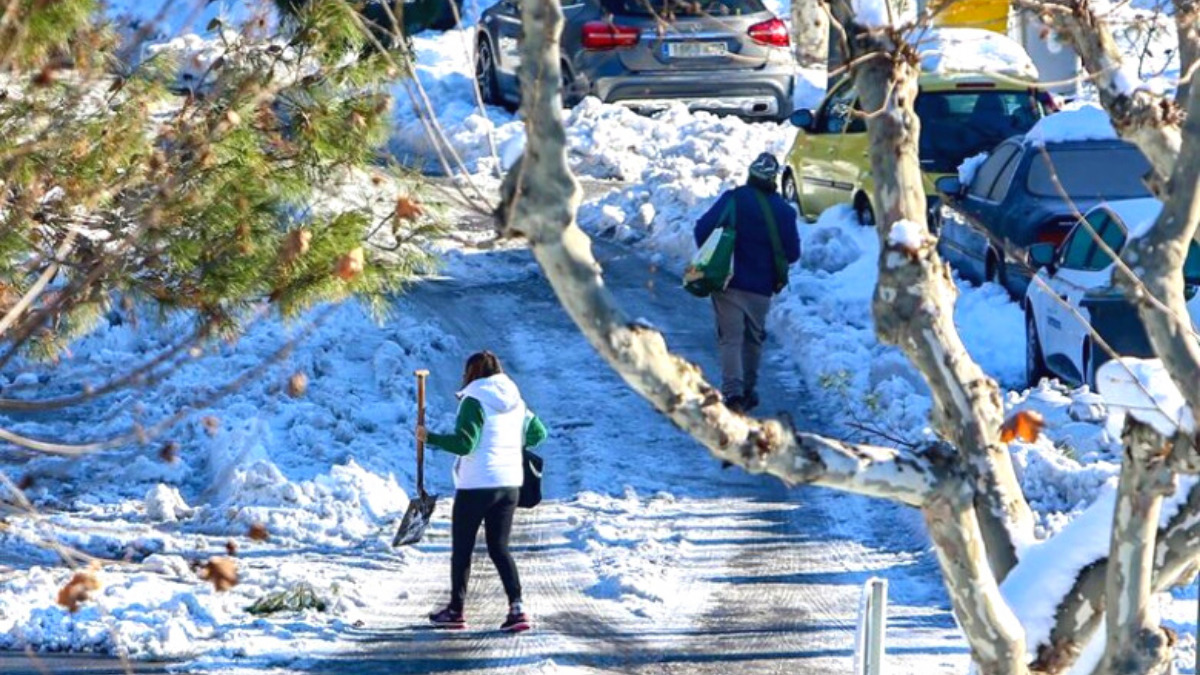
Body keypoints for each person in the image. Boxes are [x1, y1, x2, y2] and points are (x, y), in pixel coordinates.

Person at [418, 351, 548, 633]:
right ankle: (517, 608)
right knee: (499, 548)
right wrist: (508, 443)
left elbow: (466, 444)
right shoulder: (516, 400)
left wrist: (430, 438)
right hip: (510, 484)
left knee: (462, 550)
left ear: (471, 373)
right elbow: (539, 434)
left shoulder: (473, 399)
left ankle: (456, 611)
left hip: (476, 485)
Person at [693, 153, 801, 413]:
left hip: (727, 281)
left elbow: (702, 229)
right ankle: (749, 389)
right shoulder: (784, 212)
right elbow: (793, 253)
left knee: (730, 338)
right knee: (753, 340)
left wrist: (715, 256)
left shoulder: (734, 199)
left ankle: (733, 393)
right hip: (761, 287)